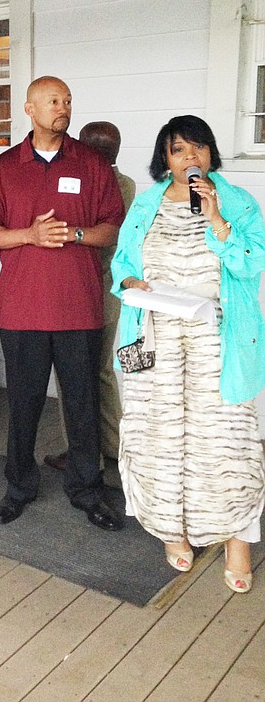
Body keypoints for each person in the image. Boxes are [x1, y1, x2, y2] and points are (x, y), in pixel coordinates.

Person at [111, 115, 265, 592]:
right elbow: (121, 264)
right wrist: (129, 282)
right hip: (154, 333)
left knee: (225, 439)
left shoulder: (237, 202)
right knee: (159, 435)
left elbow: (251, 264)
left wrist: (217, 219)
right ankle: (171, 529)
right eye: (178, 150)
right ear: (165, 159)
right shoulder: (145, 204)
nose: (190, 158)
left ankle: (237, 538)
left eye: (198, 148)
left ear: (210, 154)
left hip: (216, 337)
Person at [0, 76, 126, 531]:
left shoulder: (92, 165)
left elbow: (111, 229)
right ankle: (18, 487)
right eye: (53, 101)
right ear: (29, 109)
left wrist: (76, 234)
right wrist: (31, 235)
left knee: (82, 405)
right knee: (23, 405)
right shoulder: (4, 167)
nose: (63, 108)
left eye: (68, 101)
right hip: (23, 310)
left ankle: (87, 489)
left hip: (79, 308)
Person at [44, 122, 136, 480]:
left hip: (82, 294)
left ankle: (82, 455)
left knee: (73, 379)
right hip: (112, 295)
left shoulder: (89, 183)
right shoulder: (126, 184)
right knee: (100, 373)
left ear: (91, 150)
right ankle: (115, 447)